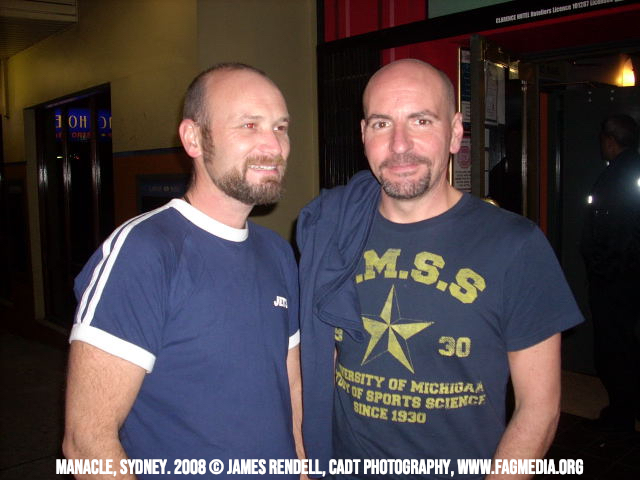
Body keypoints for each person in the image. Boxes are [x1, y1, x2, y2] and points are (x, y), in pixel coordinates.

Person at [297, 59, 583, 478]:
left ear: (454, 133)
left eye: (421, 121)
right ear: (363, 135)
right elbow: (318, 359)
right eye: (381, 124)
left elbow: (538, 408)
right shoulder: (333, 230)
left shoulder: (515, 245)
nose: (399, 145)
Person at [63, 63, 304, 479]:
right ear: (193, 138)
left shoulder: (278, 252)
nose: (274, 144)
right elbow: (87, 442)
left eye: (280, 127)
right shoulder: (144, 251)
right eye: (249, 125)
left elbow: (291, 386)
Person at [581, 114, 640, 433]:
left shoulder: (618, 176)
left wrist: (601, 269)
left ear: (611, 140)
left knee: (614, 347)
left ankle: (621, 413)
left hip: (617, 281)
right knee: (626, 343)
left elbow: (614, 232)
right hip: (626, 278)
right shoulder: (630, 171)